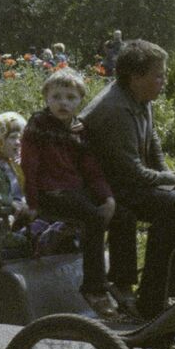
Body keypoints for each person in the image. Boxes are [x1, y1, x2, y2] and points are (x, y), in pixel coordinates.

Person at [80, 39, 175, 320]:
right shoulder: (115, 109)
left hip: (124, 182)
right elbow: (133, 172)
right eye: (159, 75)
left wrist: (174, 177)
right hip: (101, 187)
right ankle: (151, 299)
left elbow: (152, 145)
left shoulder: (140, 99)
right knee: (172, 205)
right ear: (136, 77)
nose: (163, 81)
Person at [22, 67, 120, 317]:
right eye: (56, 97)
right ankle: (94, 288)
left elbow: (91, 170)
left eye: (70, 97)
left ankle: (120, 282)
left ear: (79, 101)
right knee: (93, 218)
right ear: (46, 98)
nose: (63, 102)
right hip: (50, 193)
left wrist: (106, 197)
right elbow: (29, 166)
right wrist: (32, 202)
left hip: (72, 192)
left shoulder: (79, 130)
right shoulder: (39, 125)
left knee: (121, 214)